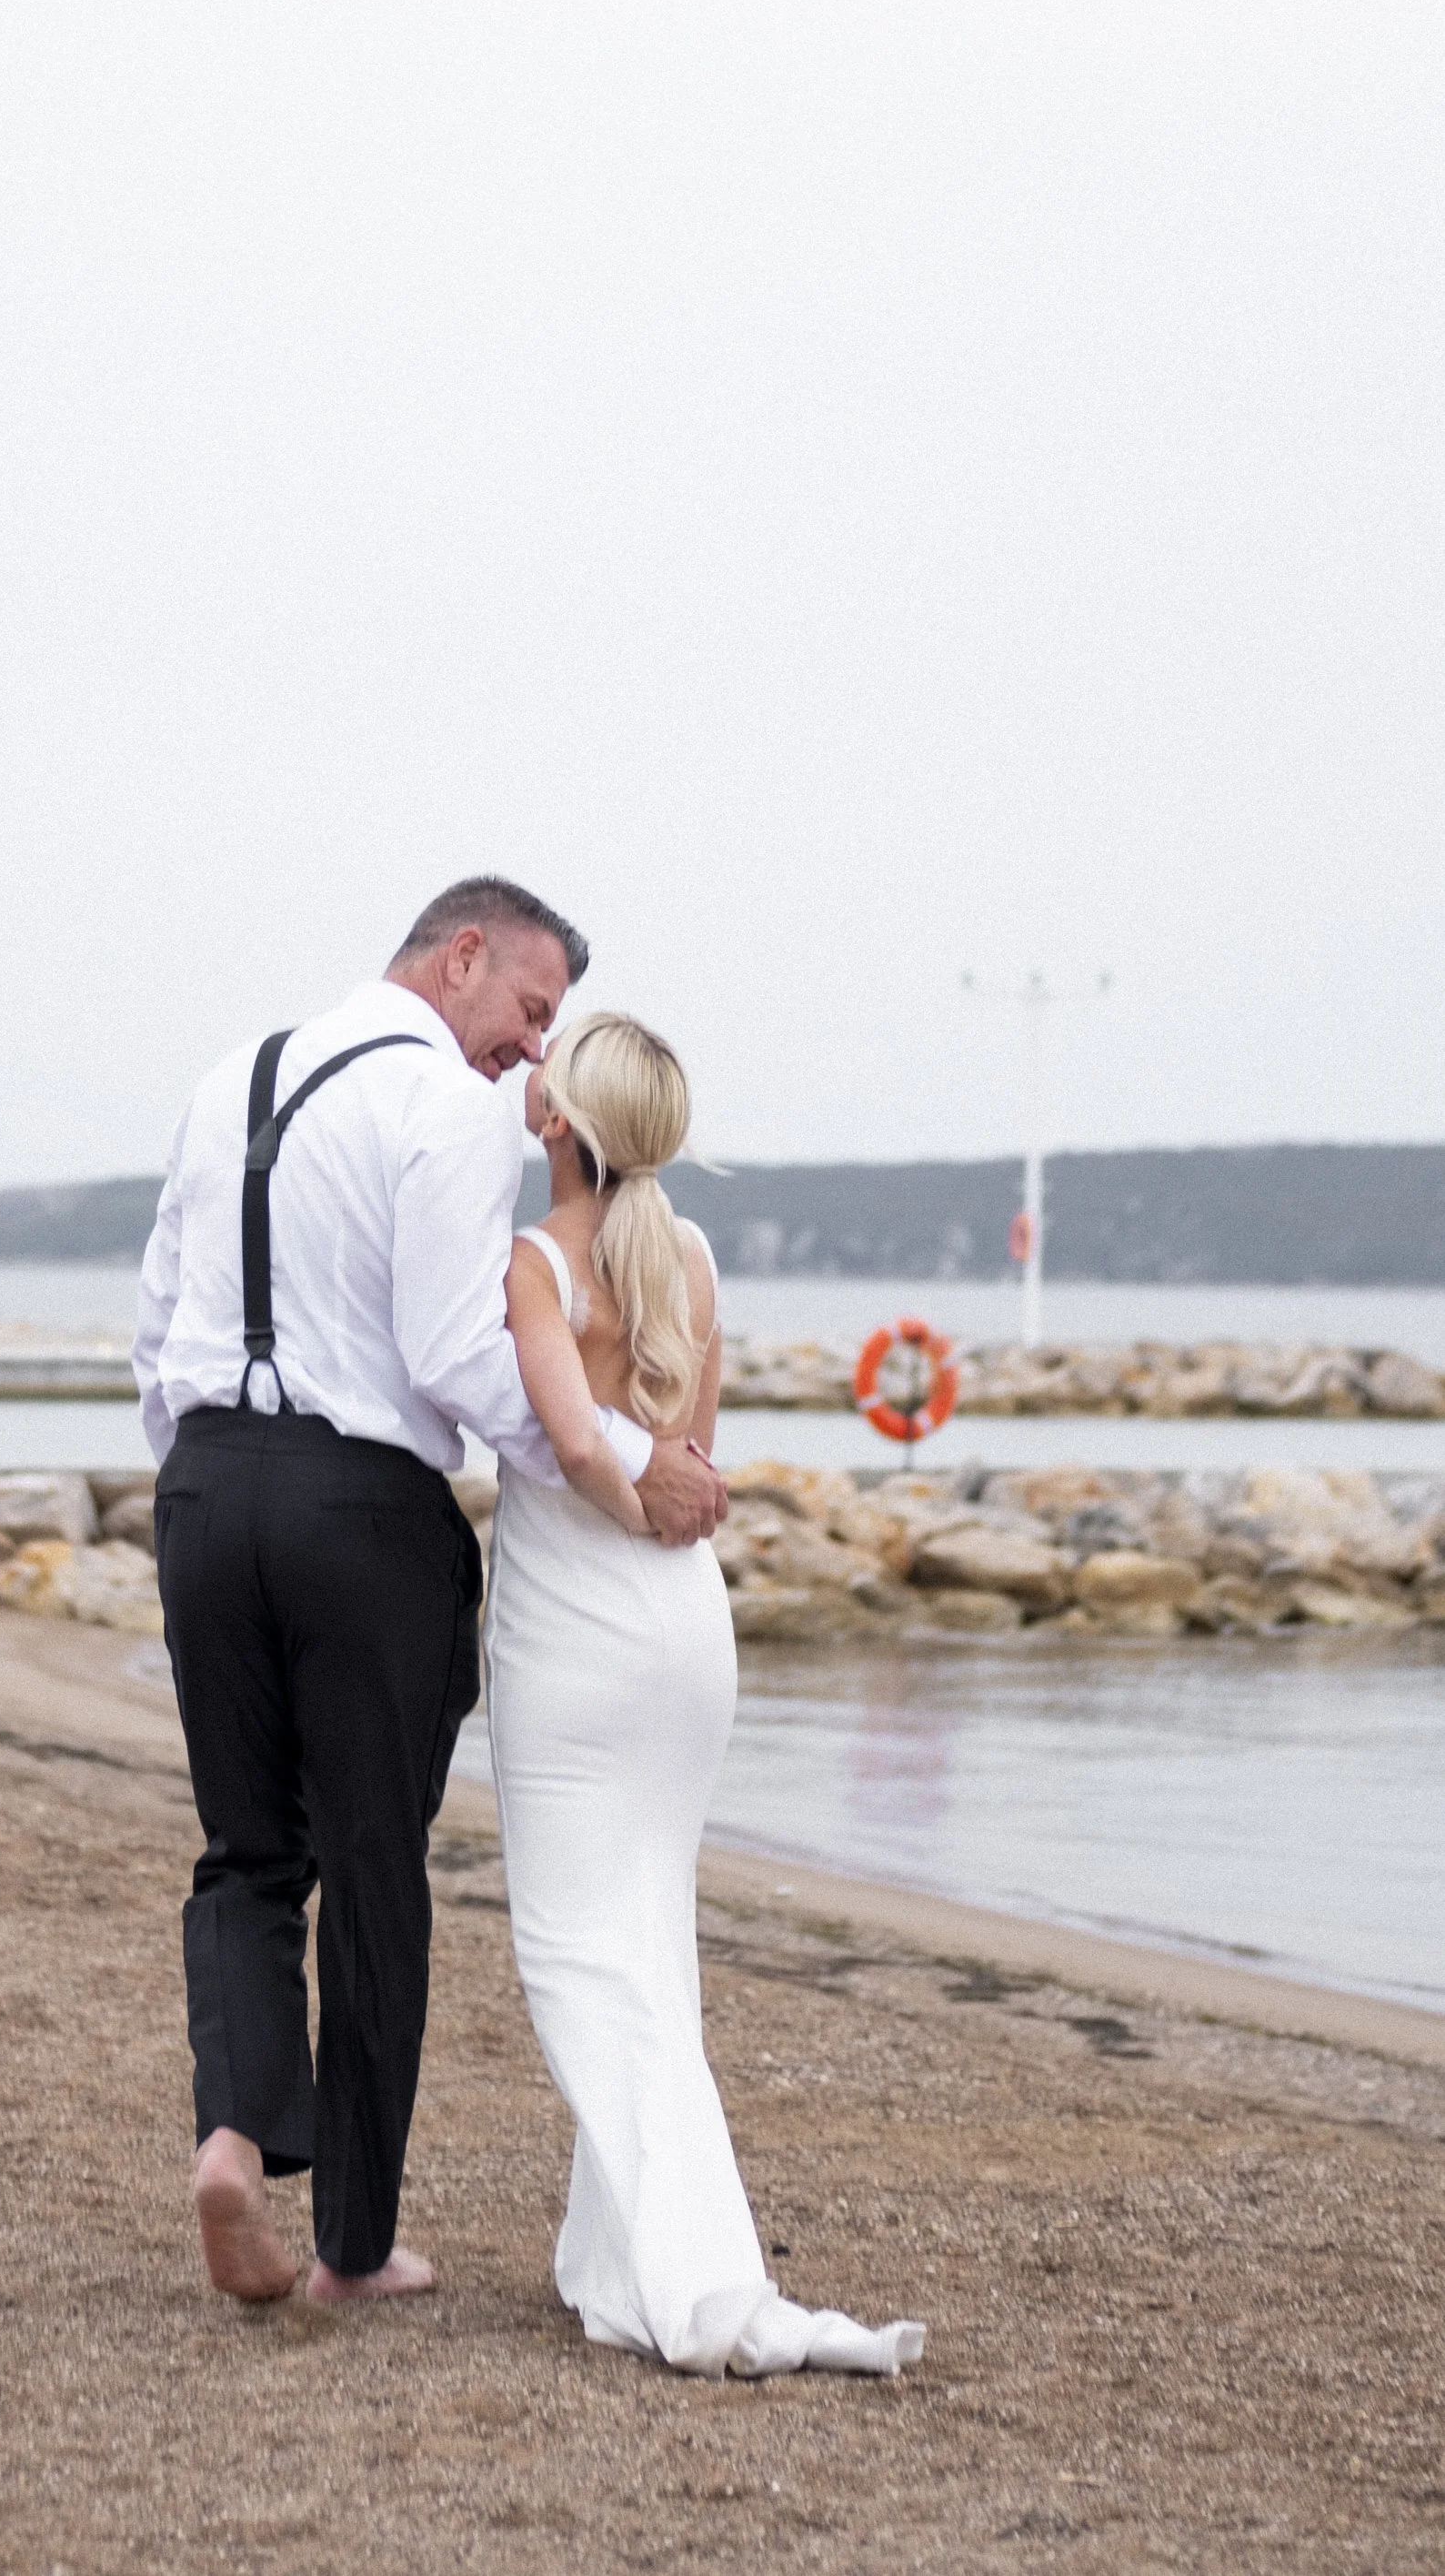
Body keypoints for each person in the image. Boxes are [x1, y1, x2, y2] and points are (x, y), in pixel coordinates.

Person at [133, 879, 727, 2307]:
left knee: (245, 1854)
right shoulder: (446, 1107)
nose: (531, 1055)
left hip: (206, 1493)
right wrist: (620, 1473)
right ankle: (350, 2242)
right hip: (361, 1511)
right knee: (376, 1874)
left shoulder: (231, 1078)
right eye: (529, 1012)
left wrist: (203, 1477)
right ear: (464, 955)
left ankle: (231, 2136)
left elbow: (159, 1315)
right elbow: (459, 1354)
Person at [487, 1010, 927, 2376]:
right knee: (647, 1951)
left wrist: (629, 1494)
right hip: (685, 1635)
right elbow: (695, 1463)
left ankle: (702, 2288)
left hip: (574, 1638)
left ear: (556, 1122)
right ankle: (609, 2264)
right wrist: (668, 1496)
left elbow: (576, 1447)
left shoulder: (535, 1265)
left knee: (579, 1956)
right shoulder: (689, 1256)